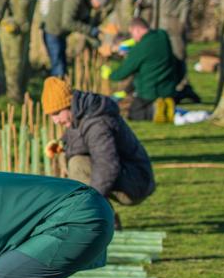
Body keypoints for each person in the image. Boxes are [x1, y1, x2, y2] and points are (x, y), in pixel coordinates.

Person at [41, 77, 155, 207]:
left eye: (56, 113)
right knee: (70, 158)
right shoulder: (81, 114)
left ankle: (99, 218)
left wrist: (89, 203)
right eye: (51, 116)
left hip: (137, 181)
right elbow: (77, 139)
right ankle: (102, 216)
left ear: (69, 105)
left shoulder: (97, 123)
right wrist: (61, 144)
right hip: (129, 175)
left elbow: (107, 165)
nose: (55, 121)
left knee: (78, 164)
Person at [107, 17, 183, 121]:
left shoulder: (140, 48)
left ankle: (155, 110)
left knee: (134, 113)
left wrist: (110, 75)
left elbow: (123, 73)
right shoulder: (162, 35)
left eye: (132, 33)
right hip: (168, 87)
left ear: (137, 30)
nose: (132, 37)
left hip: (150, 91)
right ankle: (167, 106)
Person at [43, 0, 110, 78]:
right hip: (52, 32)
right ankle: (56, 90)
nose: (99, 7)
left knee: (63, 65)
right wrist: (91, 30)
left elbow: (83, 26)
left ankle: (62, 87)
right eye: (100, 4)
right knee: (58, 67)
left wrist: (96, 42)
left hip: (61, 35)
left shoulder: (85, 4)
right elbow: (68, 23)